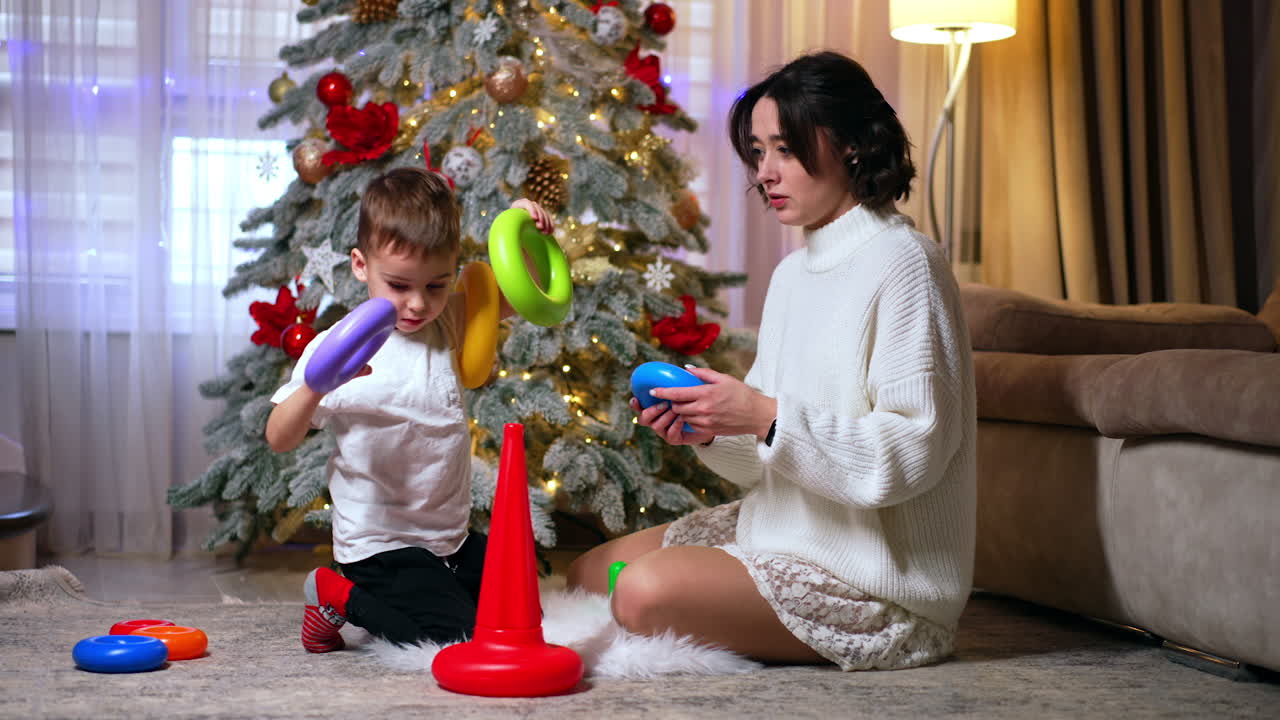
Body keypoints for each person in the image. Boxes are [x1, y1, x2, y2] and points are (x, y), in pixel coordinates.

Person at [566, 51, 976, 671]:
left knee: (641, 590)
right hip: (783, 523)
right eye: (759, 152)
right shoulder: (792, 275)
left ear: (853, 147)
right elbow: (767, 461)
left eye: (785, 149)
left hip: (874, 575)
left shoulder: (906, 264)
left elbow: (913, 451)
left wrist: (762, 416)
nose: (766, 173)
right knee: (588, 571)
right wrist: (709, 425)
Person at [266, 167, 554, 652]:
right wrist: (316, 387)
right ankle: (333, 592)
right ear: (361, 265)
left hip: (450, 541)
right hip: (379, 545)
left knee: (521, 618)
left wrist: (523, 228)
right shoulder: (337, 349)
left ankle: (416, 593)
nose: (418, 304)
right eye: (399, 285)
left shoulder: (452, 321)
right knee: (453, 640)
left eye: (436, 285)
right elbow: (278, 436)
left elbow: (523, 293)